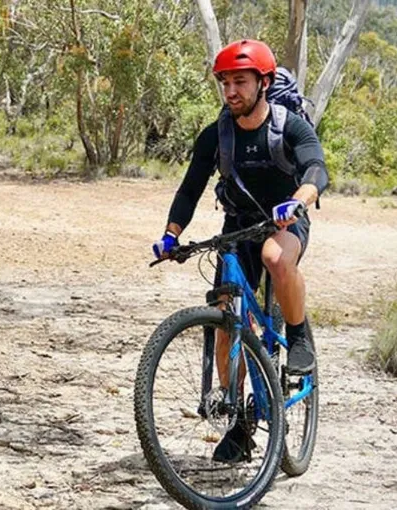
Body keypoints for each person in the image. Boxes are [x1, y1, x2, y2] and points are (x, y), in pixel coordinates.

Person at [151, 39, 329, 463]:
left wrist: (298, 201)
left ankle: (299, 335)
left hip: (286, 218)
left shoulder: (290, 126)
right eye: (225, 82)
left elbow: (316, 169)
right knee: (227, 317)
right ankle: (238, 424)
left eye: (241, 82)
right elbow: (191, 187)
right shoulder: (217, 135)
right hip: (238, 225)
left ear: (263, 83)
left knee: (274, 257)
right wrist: (171, 235)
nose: (231, 91)